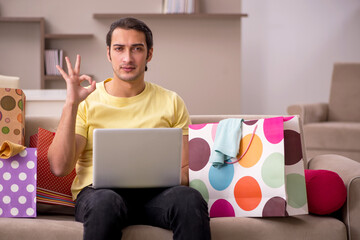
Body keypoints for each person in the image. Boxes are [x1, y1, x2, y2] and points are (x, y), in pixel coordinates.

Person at [47, 17, 211, 240]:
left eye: (136, 49)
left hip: (156, 197)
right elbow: (59, 167)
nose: (127, 58)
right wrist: (71, 104)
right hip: (99, 196)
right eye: (119, 49)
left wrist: (155, 176)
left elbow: (185, 170)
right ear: (108, 54)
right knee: (105, 201)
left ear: (149, 54)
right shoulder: (87, 102)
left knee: (189, 199)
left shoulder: (171, 102)